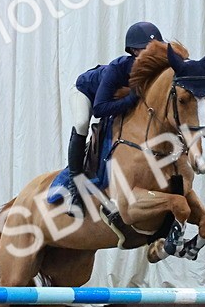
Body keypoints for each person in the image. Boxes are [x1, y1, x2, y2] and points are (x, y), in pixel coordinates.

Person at [64, 21, 163, 209]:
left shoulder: (156, 69)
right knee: (82, 122)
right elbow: (99, 109)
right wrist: (130, 100)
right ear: (134, 51)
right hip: (86, 92)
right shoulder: (116, 69)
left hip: (112, 100)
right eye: (147, 49)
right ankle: (74, 183)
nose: (153, 53)